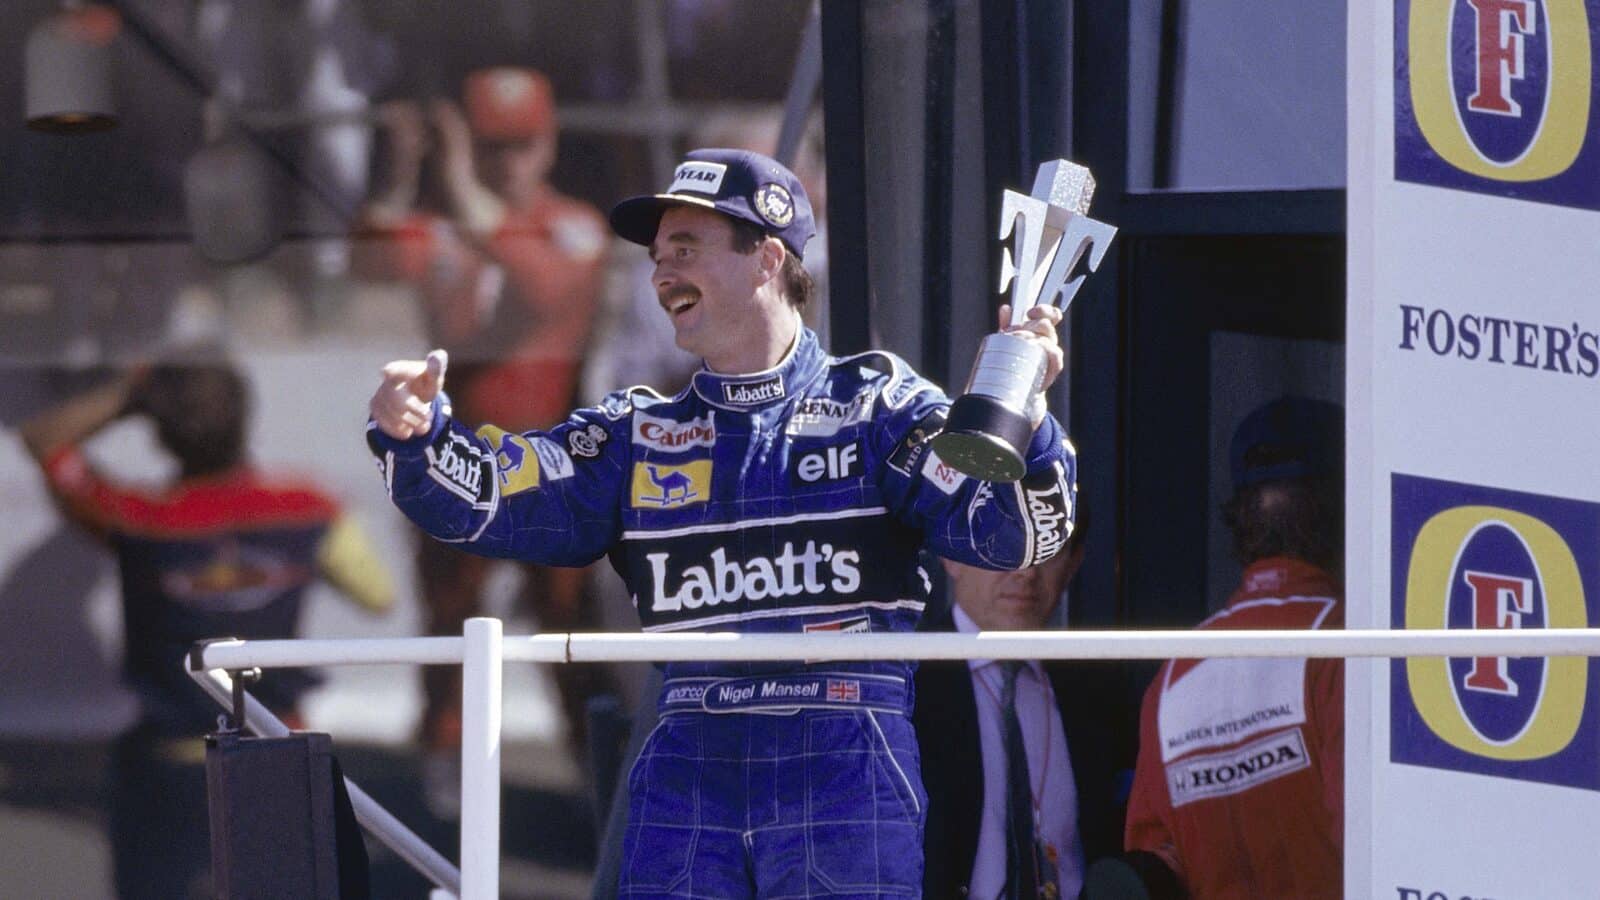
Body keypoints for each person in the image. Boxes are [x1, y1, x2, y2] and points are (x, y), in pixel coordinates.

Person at [366, 148, 1078, 897]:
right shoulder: (635, 434)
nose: (661, 272)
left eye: (686, 249)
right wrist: (414, 437)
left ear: (767, 258)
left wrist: (1028, 427)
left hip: (843, 764)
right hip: (687, 771)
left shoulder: (878, 408)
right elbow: (486, 503)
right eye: (657, 256)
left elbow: (1012, 538)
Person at [20, 359, 393, 900]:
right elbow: (381, 597)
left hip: (165, 758)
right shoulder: (308, 508)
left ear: (160, 433)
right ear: (244, 418)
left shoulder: (135, 517)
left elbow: (43, 442)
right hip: (276, 751)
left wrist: (128, 393)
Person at [357, 65, 613, 782]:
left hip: (552, 464)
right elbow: (369, 257)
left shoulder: (575, 228)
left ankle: (597, 780)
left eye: (521, 144)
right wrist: (403, 167)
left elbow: (540, 281)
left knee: (568, 634)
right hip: (459, 456)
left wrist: (461, 177)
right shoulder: (445, 228)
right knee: (451, 621)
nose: (508, 162)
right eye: (490, 145)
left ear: (550, 141)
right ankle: (442, 775)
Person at [1091, 395, 1344, 900]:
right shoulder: (1350, 644)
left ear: (1241, 518)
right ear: (1344, 506)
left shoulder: (1174, 675)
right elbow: (1373, 833)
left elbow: (1151, 867)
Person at [916, 502, 1137, 899]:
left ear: (1074, 562)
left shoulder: (1098, 690)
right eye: (1003, 542)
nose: (1026, 571)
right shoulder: (907, 684)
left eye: (1048, 547)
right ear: (951, 555)